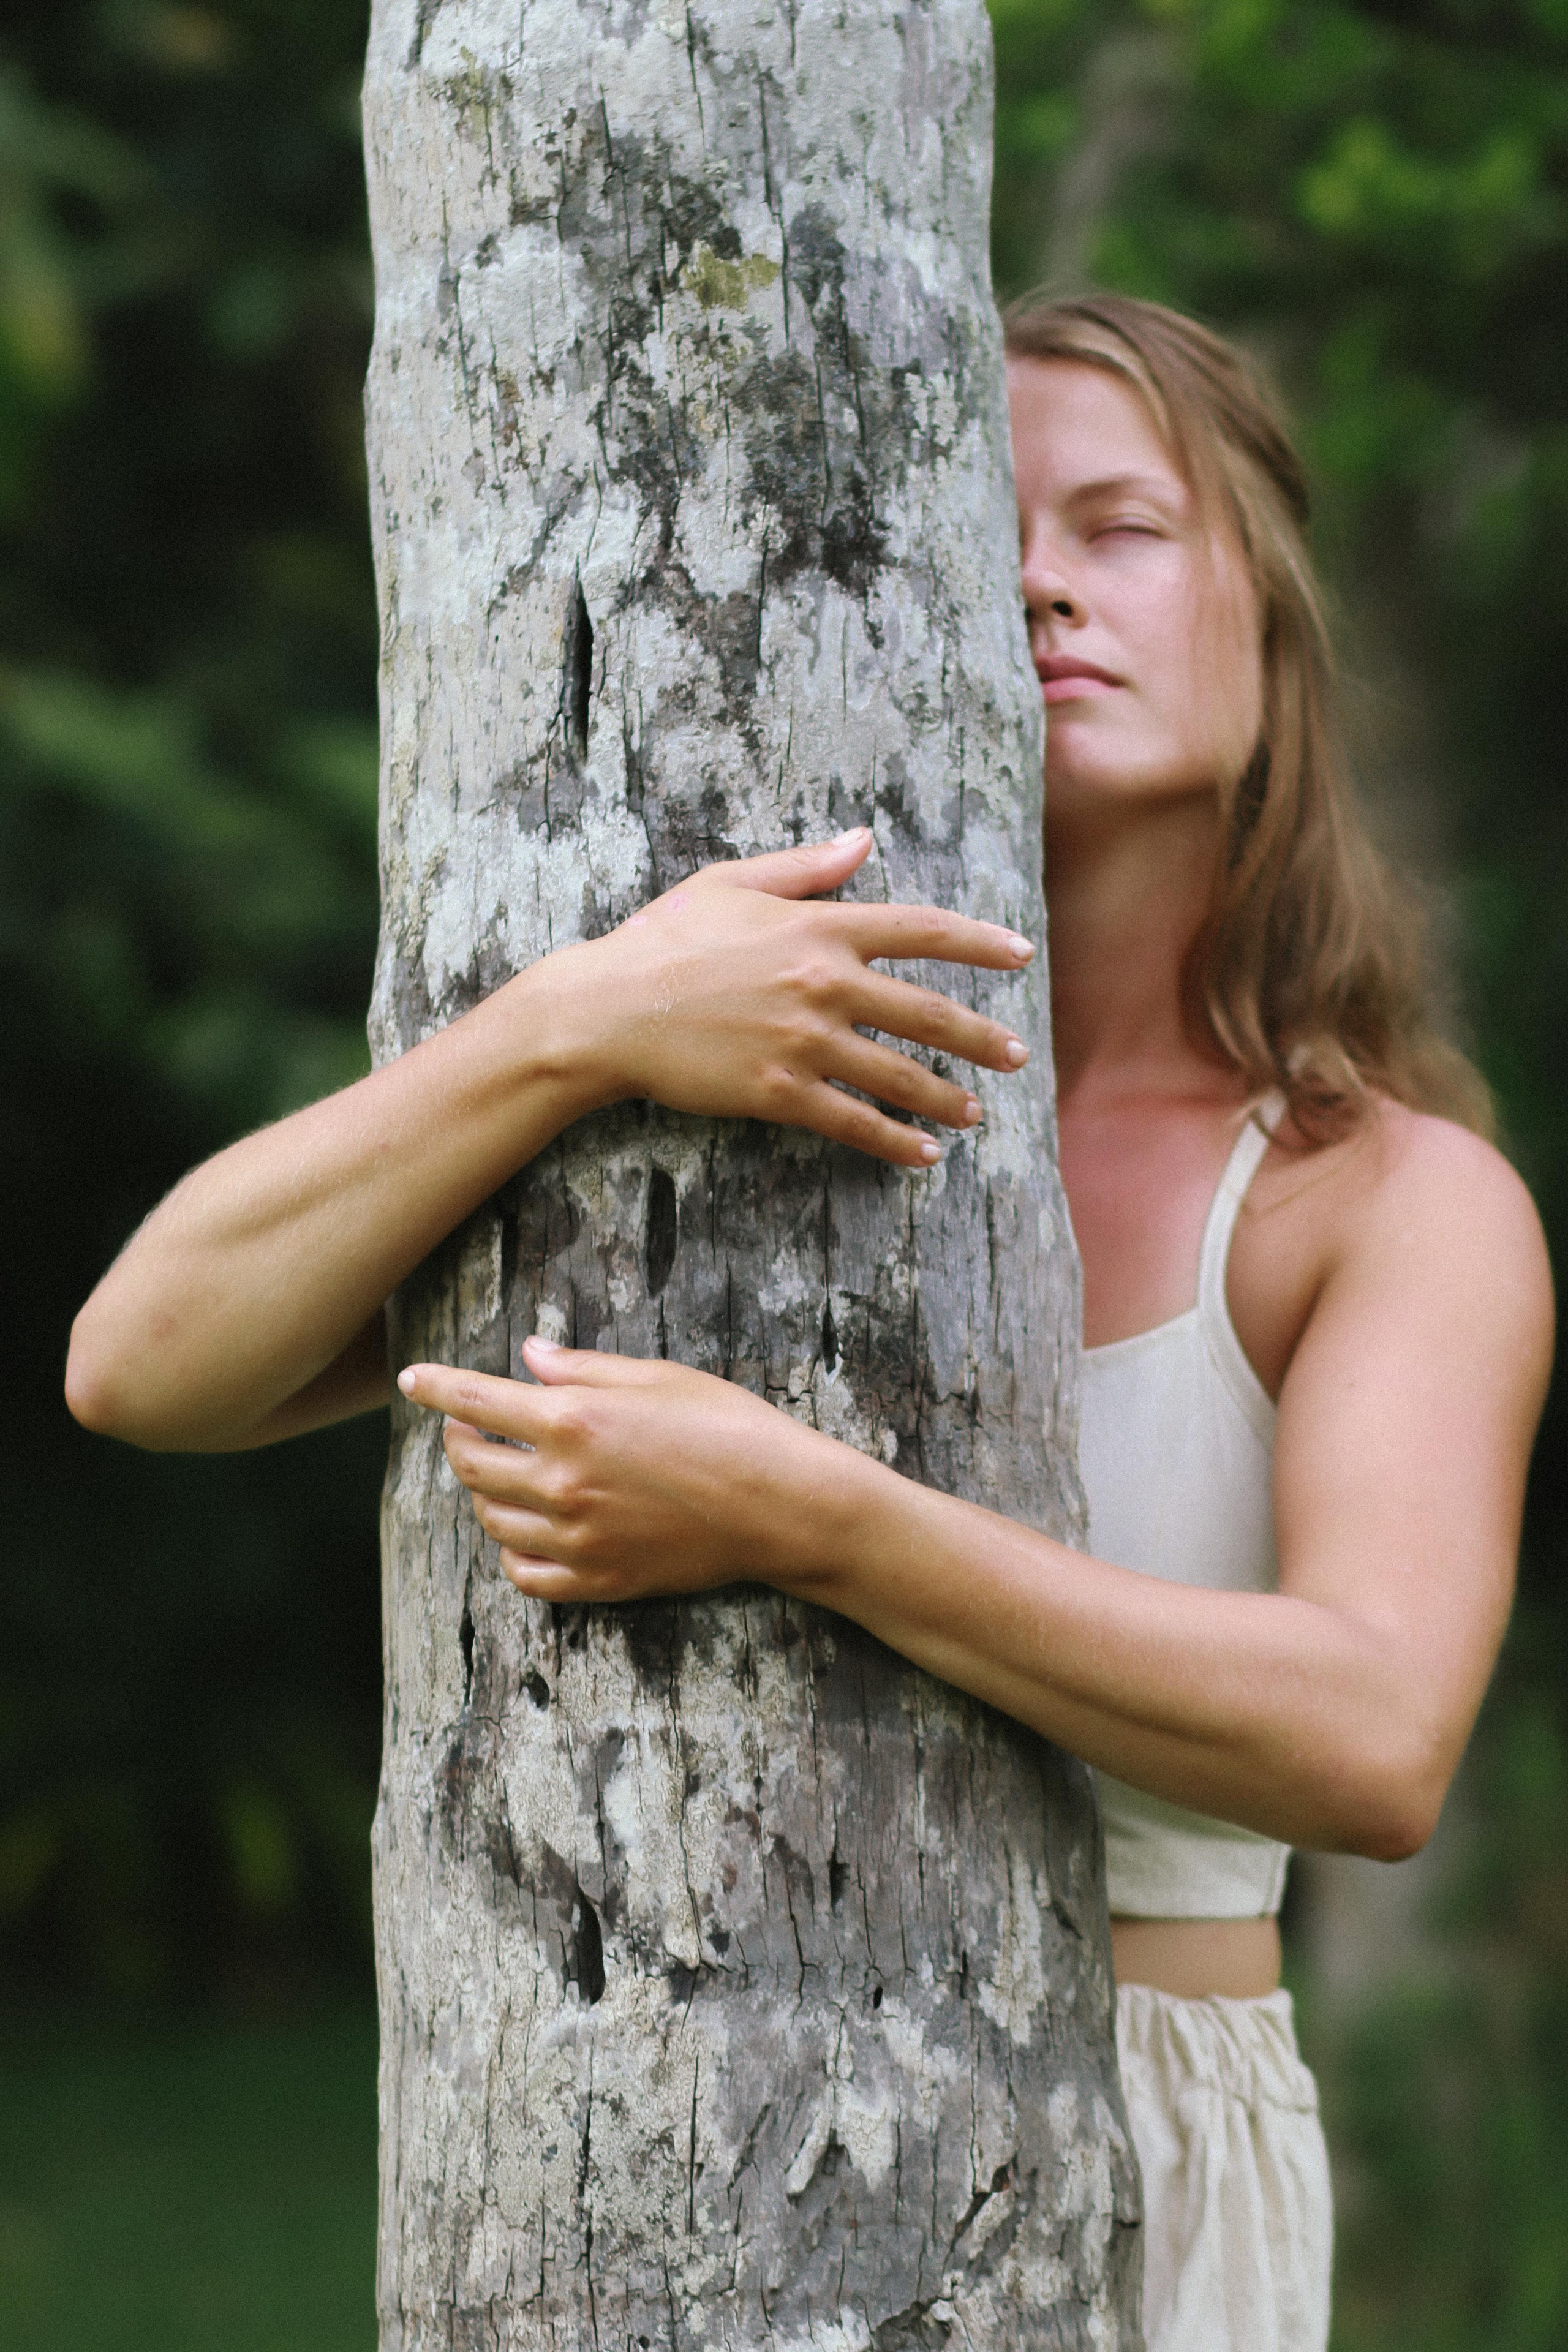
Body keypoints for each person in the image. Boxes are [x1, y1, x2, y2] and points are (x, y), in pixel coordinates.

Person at [66, 293, 1552, 2351]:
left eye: (1119, 528)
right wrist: (581, 1020)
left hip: (1136, 2168)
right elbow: (142, 1362)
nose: (1041, 583)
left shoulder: (1377, 1196)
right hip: (681, 2138)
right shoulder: (739, 1085)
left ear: (1271, 625)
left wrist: (805, 1516)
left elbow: (1376, 1739)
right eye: (984, 529)